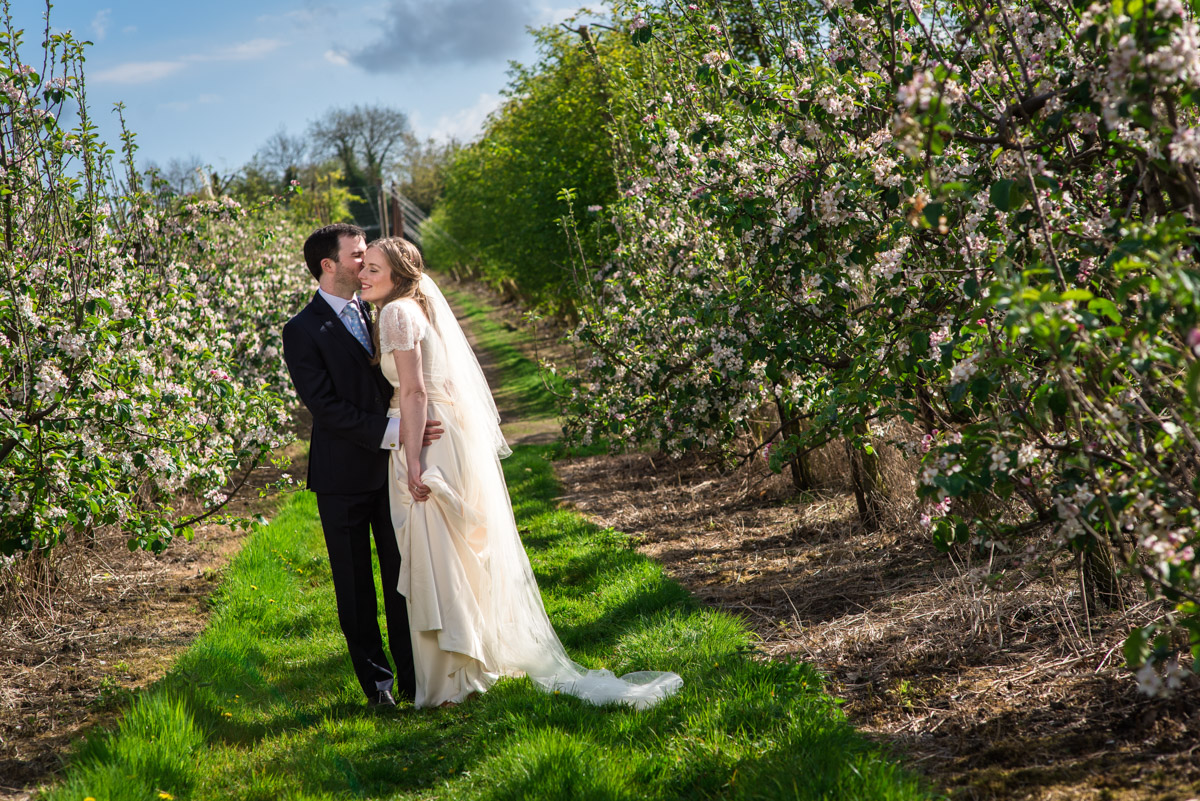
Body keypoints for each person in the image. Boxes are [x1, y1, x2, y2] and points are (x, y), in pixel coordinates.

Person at [358, 236, 683, 710]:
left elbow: (414, 393)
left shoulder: (395, 313)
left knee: (437, 552)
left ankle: (451, 683)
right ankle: (464, 667)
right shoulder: (417, 305)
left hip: (426, 440)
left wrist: (413, 463)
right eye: (363, 267)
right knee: (452, 552)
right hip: (447, 434)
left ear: (398, 274)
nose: (364, 276)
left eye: (373, 268)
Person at [281, 223, 443, 709]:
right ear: (328, 265)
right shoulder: (301, 329)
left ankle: (418, 679)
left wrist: (413, 430)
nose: (364, 261)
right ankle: (378, 687)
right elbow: (324, 405)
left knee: (403, 577)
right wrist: (399, 435)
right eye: (356, 255)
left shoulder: (380, 310)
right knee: (355, 588)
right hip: (342, 476)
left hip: (393, 473)